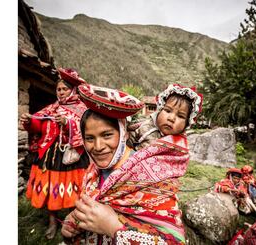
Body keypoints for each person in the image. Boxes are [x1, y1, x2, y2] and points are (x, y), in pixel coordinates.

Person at [61, 84, 197, 244]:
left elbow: (173, 241)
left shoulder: (154, 179)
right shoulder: (92, 172)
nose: (97, 147)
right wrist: (73, 221)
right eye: (89, 138)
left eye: (107, 135)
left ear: (123, 132)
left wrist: (113, 227)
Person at [19, 68, 89, 239]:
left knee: (76, 190)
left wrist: (68, 122)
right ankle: (52, 221)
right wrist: (29, 121)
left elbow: (86, 126)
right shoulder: (52, 108)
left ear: (72, 90)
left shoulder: (82, 109)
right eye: (59, 89)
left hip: (71, 154)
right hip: (50, 156)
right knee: (51, 190)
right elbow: (38, 125)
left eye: (65, 89)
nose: (61, 92)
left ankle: (74, 221)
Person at [127, 84, 203, 150]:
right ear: (159, 110)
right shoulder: (144, 126)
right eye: (168, 111)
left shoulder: (179, 147)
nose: (171, 118)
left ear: (187, 123)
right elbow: (126, 141)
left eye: (180, 116)